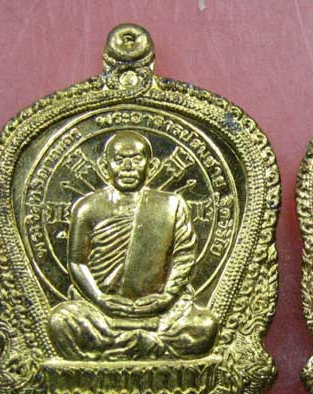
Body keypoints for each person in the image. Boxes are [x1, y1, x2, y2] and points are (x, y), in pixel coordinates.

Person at [49, 130, 218, 360]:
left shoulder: (171, 205)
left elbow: (184, 256)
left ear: (152, 166)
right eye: (119, 160)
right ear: (104, 167)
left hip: (162, 312)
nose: (128, 167)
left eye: (137, 159)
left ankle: (121, 348)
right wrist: (99, 299)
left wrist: (167, 297)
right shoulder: (87, 207)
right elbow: (77, 263)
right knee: (60, 321)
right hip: (100, 313)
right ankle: (148, 347)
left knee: (205, 326)